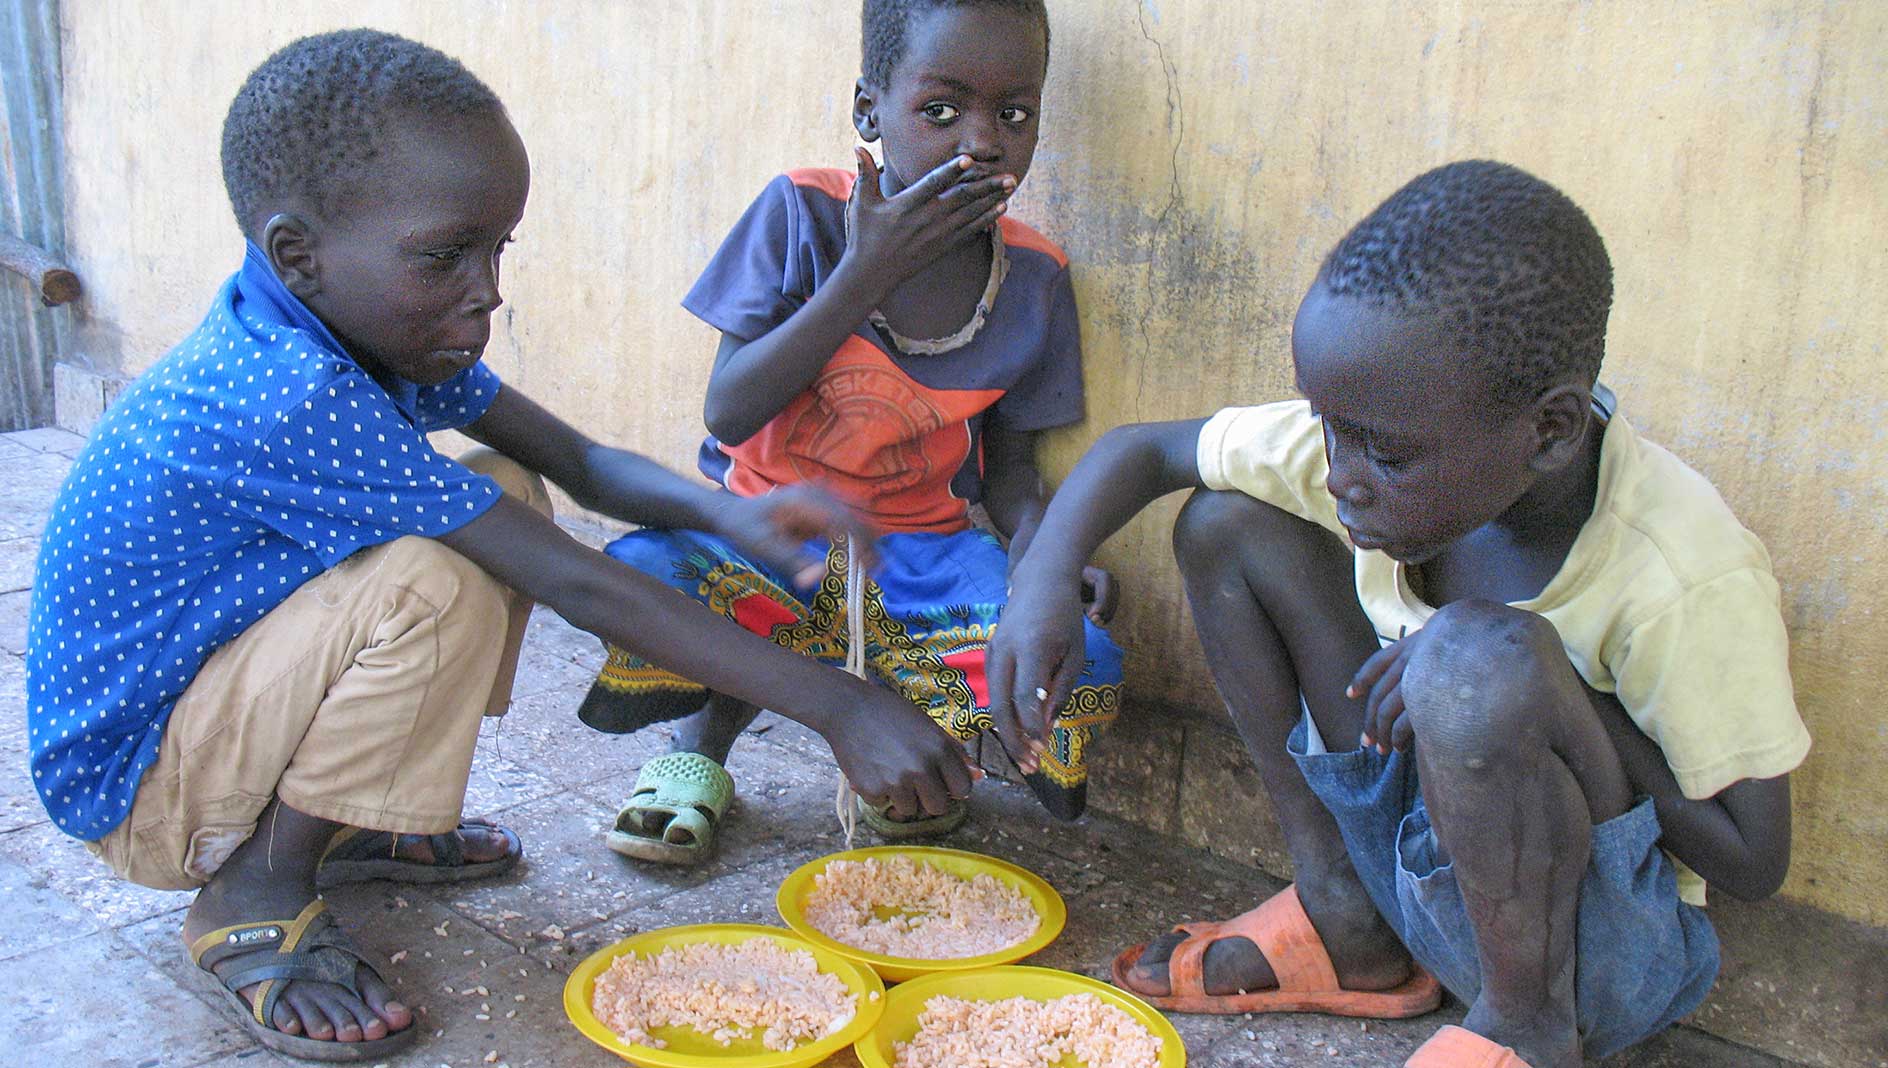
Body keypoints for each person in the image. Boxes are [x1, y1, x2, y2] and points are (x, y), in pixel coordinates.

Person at [25, 29, 975, 1061]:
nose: (485, 290)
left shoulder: (355, 325)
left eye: (497, 248)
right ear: (298, 251)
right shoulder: (290, 392)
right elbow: (574, 581)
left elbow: (574, 459)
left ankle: (340, 820)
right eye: (444, 256)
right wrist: (839, 702)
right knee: (436, 571)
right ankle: (250, 888)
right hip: (141, 787)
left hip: (202, 715)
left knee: (500, 490)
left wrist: (732, 513)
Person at [988, 161, 1810, 1068]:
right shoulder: (1381, 433)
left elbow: (1752, 859)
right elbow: (1143, 453)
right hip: (1420, 870)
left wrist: (1552, 688)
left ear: (1550, 432)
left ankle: (1525, 1027)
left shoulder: (1681, 571)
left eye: (1380, 452)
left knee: (1479, 660)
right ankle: (1347, 916)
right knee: (1227, 525)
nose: (1339, 471)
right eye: (1326, 425)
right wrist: (1041, 586)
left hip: (1597, 958)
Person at [572, 0, 1123, 863]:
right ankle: (697, 752)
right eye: (939, 111)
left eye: (1014, 115)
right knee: (649, 575)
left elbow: (1012, 472)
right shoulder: (802, 212)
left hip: (924, 556)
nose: (980, 141)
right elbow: (729, 410)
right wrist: (868, 272)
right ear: (870, 111)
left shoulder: (1037, 275)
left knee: (1076, 652)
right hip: (767, 528)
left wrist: (1043, 559)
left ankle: (913, 762)